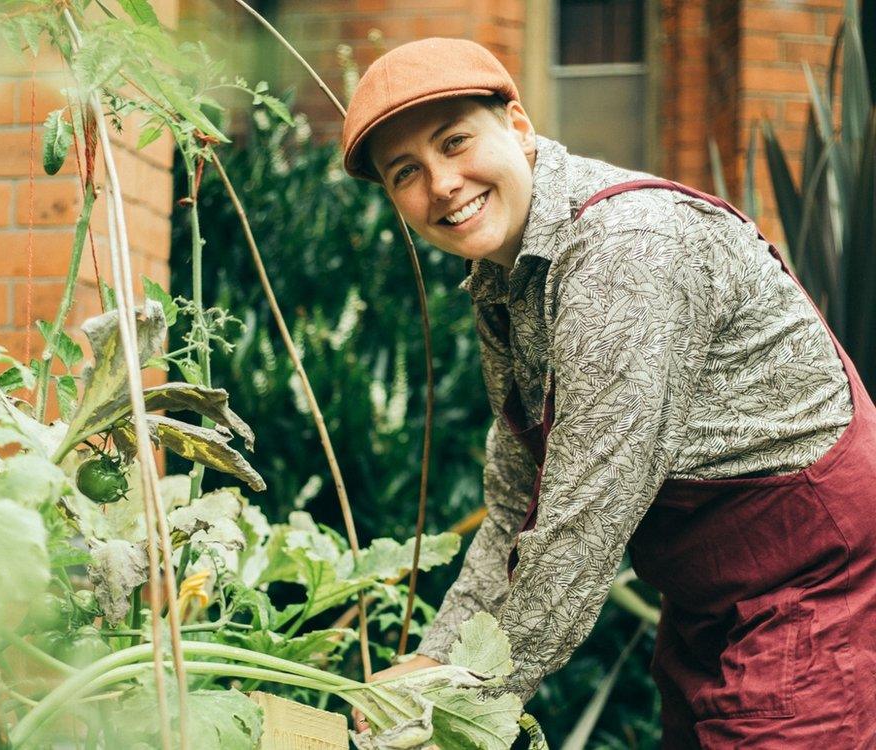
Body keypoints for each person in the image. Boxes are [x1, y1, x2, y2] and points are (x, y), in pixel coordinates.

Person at [340, 37, 876, 748]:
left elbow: (582, 521)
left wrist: (459, 704)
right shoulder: (506, 282)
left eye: (455, 142)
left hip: (818, 588)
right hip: (709, 605)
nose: (442, 184)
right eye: (408, 171)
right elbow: (511, 513)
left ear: (520, 126)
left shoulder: (629, 250)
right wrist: (434, 659)